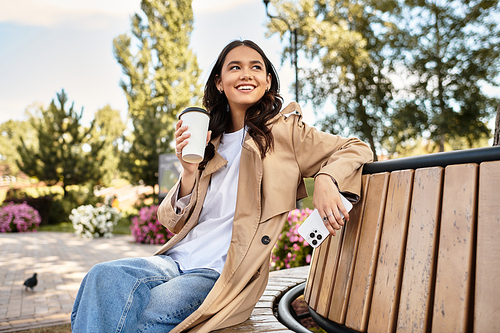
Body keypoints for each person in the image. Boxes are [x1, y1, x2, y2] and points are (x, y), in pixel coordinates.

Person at [71, 39, 373, 333]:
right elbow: (171, 222)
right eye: (235, 67)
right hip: (173, 262)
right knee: (102, 278)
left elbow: (356, 147)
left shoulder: (286, 133)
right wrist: (189, 171)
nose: (246, 74)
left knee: (133, 317)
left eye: (256, 67)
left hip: (222, 274)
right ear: (219, 81)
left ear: (267, 81)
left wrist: (325, 178)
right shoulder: (208, 140)